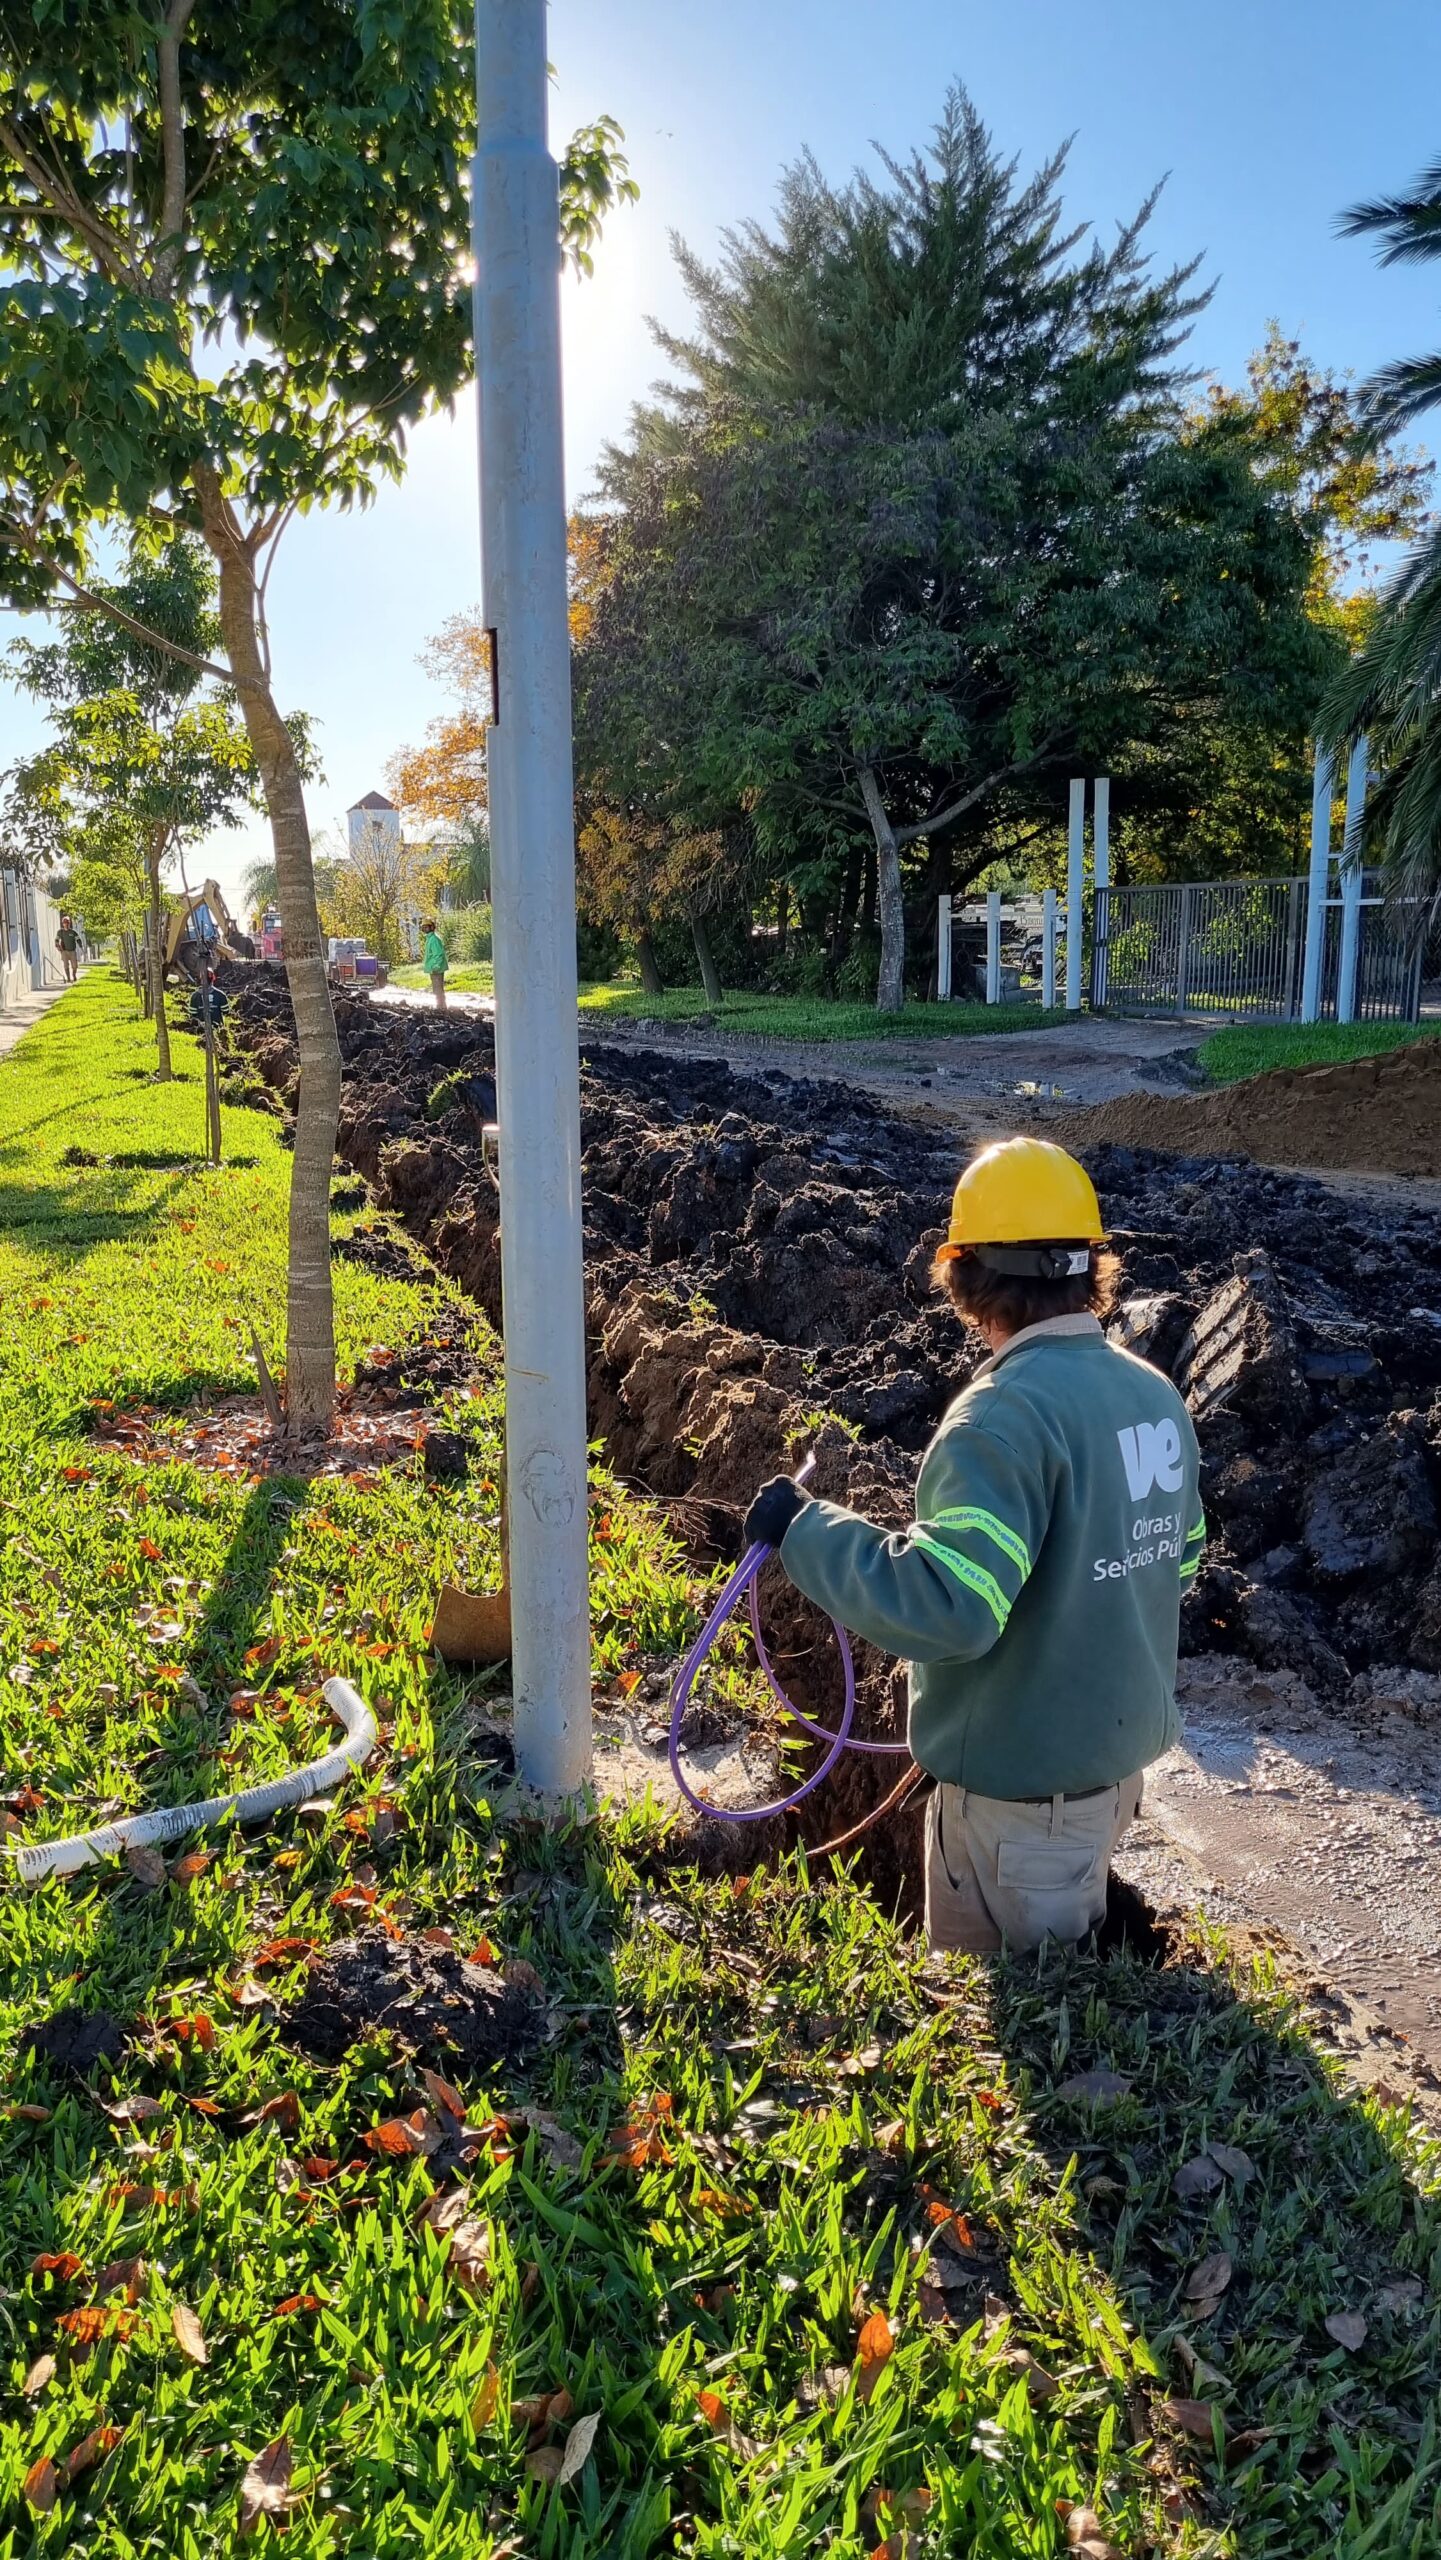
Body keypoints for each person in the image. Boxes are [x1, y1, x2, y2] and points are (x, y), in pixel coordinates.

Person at [744, 1137, 1203, 1957]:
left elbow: (949, 1610)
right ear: (1086, 1268)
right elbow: (1180, 1554)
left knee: (1009, 2040)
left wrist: (803, 1529)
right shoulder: (1151, 1395)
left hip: (1017, 1812)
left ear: (964, 1277)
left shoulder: (999, 1418)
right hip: (1107, 1779)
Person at [421, 916, 448, 1012]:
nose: (425, 929)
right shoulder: (430, 939)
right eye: (423, 927)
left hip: (436, 968)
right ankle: (440, 1006)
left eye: (427, 927)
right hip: (434, 968)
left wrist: (435, 966)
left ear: (432, 927)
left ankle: (441, 1007)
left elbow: (439, 954)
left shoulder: (434, 940)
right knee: (436, 989)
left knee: (438, 989)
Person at [55, 914, 80, 983]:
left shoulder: (73, 932)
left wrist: (80, 945)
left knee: (74, 965)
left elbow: (78, 939)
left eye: (67, 923)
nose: (66, 924)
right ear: (63, 924)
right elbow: (57, 939)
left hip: (72, 951)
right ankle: (68, 978)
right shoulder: (60, 932)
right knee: (66, 965)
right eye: (64, 923)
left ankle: (74, 975)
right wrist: (57, 944)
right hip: (64, 951)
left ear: (69, 923)